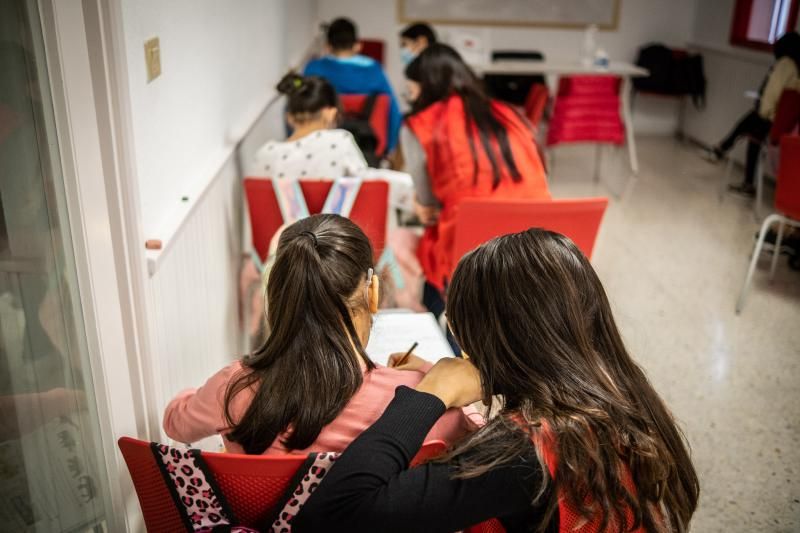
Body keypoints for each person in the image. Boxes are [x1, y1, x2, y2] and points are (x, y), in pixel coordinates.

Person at [294, 229, 700, 532]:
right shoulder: (626, 396)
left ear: (498, 340)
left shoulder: (522, 453)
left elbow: (333, 515)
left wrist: (428, 394)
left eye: (461, 329)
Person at [163, 214, 481, 455]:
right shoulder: (415, 400)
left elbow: (176, 424)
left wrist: (209, 391)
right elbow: (480, 436)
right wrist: (429, 373)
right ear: (372, 293)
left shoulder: (233, 387)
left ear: (278, 295)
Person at [401, 43, 550, 310]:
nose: (411, 99)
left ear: (427, 88)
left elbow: (428, 205)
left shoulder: (421, 124)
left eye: (412, 91)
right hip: (536, 247)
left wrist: (417, 204)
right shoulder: (508, 113)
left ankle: (439, 336)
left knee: (426, 261)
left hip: (471, 252)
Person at [710, 31, 800, 197]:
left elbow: (772, 94)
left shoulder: (784, 64)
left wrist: (762, 111)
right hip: (785, 124)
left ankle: (723, 148)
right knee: (753, 136)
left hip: (771, 120)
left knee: (749, 121)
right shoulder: (797, 67)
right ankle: (746, 179)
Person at [304, 18, 402, 154]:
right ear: (357, 45)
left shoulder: (313, 69)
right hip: (368, 147)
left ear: (328, 46)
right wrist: (389, 148)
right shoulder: (373, 70)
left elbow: (299, 107)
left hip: (321, 148)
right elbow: (393, 111)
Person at [253, 73, 368, 179]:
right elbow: (367, 183)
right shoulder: (340, 141)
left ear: (289, 117)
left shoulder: (266, 154)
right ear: (330, 113)